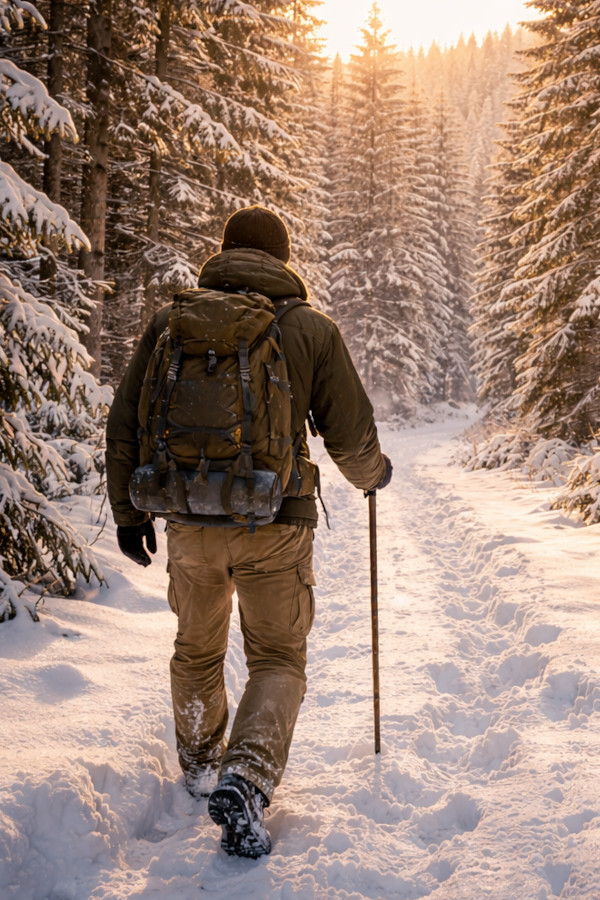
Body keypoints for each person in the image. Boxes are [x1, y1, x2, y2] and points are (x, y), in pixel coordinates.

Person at [105, 205, 392, 859]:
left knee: (196, 652)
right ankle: (246, 777)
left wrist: (129, 515)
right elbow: (351, 436)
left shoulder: (169, 322)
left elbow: (125, 422)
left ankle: (204, 767)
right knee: (277, 658)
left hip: (189, 524)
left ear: (225, 252)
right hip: (276, 524)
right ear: (282, 259)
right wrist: (374, 475)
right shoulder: (310, 327)